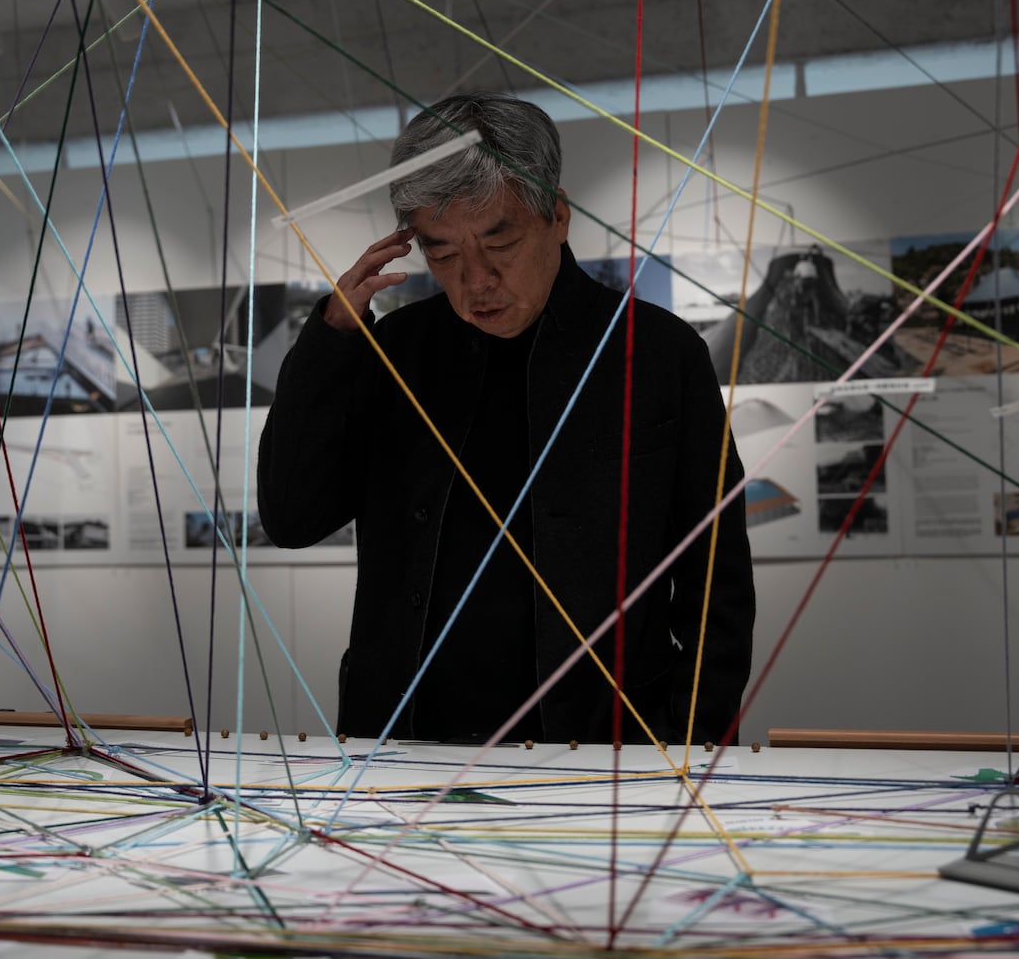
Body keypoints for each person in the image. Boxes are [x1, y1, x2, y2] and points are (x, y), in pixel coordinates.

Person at [257, 93, 756, 747]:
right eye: (442, 254)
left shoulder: (657, 354)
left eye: (501, 240)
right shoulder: (394, 352)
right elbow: (291, 517)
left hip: (603, 756)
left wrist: (685, 736)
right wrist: (331, 341)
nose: (476, 280)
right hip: (406, 747)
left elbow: (715, 580)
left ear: (558, 216)